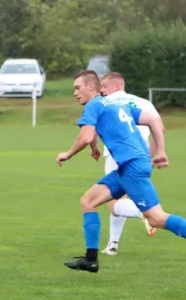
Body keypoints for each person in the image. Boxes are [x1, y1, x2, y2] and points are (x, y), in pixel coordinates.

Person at [56, 70, 186, 273]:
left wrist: (68, 154)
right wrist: (160, 150)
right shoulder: (117, 104)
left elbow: (85, 136)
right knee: (88, 201)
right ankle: (90, 260)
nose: (75, 93)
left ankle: (94, 257)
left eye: (77, 87)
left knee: (156, 218)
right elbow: (153, 120)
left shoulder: (93, 105)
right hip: (129, 166)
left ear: (92, 86)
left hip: (132, 167)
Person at [99, 72, 162, 255]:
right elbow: (160, 127)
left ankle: (144, 213)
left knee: (113, 203)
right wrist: (150, 155)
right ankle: (112, 245)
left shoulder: (108, 103)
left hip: (117, 155)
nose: (102, 91)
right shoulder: (144, 103)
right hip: (140, 156)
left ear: (117, 86)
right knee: (120, 200)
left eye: (105, 86)